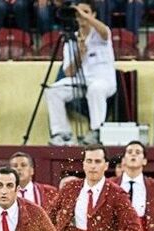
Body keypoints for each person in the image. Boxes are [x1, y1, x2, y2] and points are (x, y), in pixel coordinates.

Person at [45, 0, 117, 146]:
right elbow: (69, 73)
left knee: (95, 89)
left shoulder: (101, 34)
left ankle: (96, 131)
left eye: (86, 12)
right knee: (53, 91)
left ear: (94, 14)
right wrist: (80, 53)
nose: (81, 17)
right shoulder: (71, 39)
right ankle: (62, 133)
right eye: (78, 14)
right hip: (81, 81)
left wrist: (84, 15)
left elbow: (104, 31)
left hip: (104, 81)